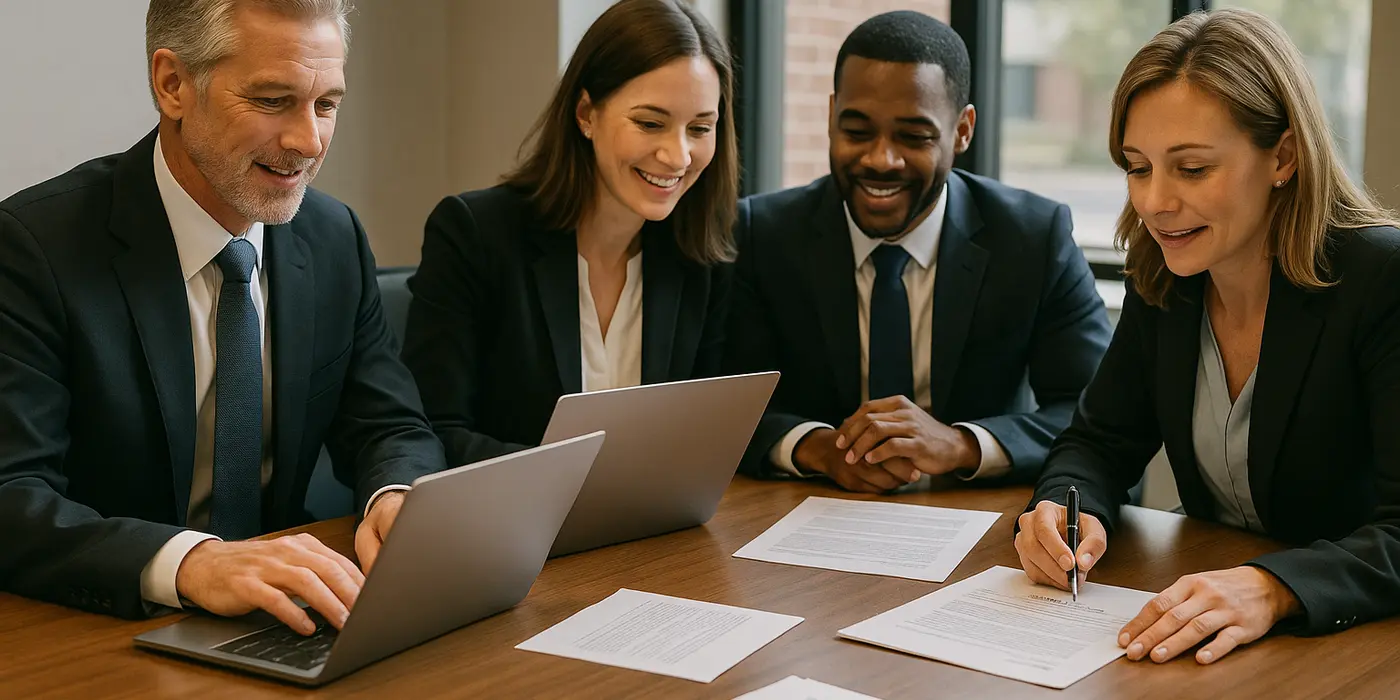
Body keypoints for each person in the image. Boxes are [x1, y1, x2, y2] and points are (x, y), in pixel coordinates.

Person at [0, 0, 445, 634]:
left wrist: (397, 496)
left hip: (289, 616)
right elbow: (12, 495)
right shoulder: (33, 247)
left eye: (327, 105)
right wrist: (192, 563)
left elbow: (390, 423)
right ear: (173, 84)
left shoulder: (332, 236)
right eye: (271, 101)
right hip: (103, 628)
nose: (309, 142)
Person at [1015, 8, 1400, 665]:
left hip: (1354, 646)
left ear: (1282, 155)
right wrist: (1062, 511)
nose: (1155, 202)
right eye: (1138, 168)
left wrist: (1273, 588)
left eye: (1191, 169)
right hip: (1216, 644)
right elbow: (1099, 442)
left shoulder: (1380, 279)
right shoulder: (1166, 276)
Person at [725, 11, 1111, 492]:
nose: (880, 160)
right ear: (830, 116)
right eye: (857, 131)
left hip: (980, 529)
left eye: (914, 136)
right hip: (808, 519)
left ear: (962, 130)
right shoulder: (763, 234)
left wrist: (960, 445)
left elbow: (1097, 415)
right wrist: (821, 449)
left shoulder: (1033, 238)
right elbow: (724, 405)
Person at [401, 0, 737, 467]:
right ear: (586, 114)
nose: (678, 156)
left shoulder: (703, 253)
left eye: (700, 128)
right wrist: (577, 480)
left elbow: (714, 428)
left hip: (648, 527)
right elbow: (430, 430)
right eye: (650, 123)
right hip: (511, 524)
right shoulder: (475, 233)